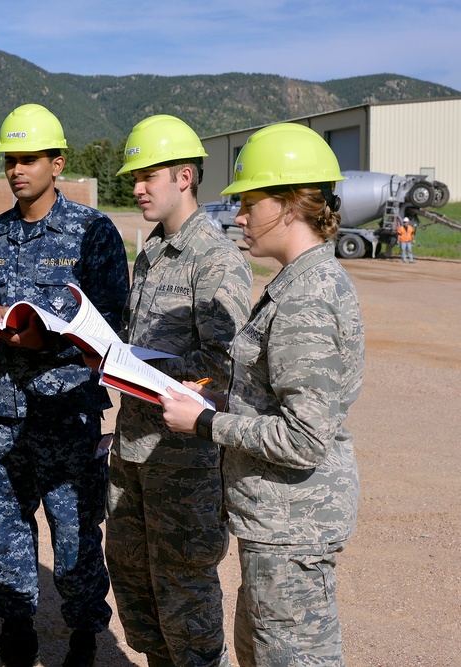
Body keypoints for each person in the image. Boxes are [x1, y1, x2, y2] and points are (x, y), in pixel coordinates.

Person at [160, 123, 364, 666]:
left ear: (292, 205)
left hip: (292, 526)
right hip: (277, 523)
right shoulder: (300, 283)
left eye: (251, 202)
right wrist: (221, 402)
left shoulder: (306, 300)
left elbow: (304, 438)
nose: (240, 217)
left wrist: (205, 424)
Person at [0, 103, 129, 667]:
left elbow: (111, 317)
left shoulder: (93, 232)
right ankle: (16, 639)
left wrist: (46, 341)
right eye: (10, 159)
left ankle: (85, 641)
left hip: (68, 407)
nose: (17, 169)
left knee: (75, 526)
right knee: (3, 523)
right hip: (6, 408)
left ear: (57, 163)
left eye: (29, 158)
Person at [106, 115, 252, 667]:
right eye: (134, 177)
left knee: (185, 597)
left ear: (185, 176)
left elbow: (224, 367)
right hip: (134, 452)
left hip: (185, 461)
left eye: (148, 176)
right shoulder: (149, 254)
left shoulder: (216, 260)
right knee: (137, 587)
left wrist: (145, 368)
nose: (137, 187)